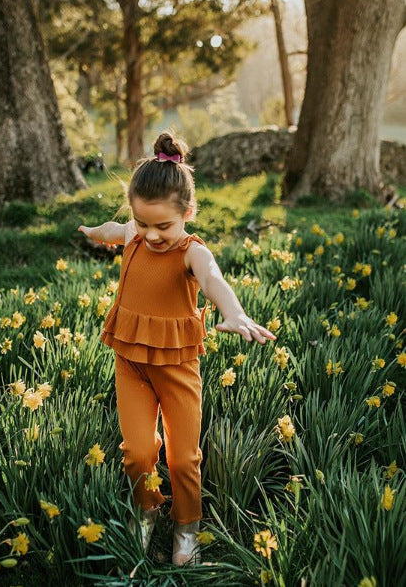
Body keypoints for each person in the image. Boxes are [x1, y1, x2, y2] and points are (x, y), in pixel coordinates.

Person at [78, 131, 276, 565]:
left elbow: (213, 280)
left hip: (176, 367)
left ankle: (187, 525)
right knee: (139, 452)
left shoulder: (190, 251)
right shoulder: (138, 231)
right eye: (143, 223)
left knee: (184, 455)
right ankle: (146, 509)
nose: (150, 236)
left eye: (162, 226)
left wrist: (235, 312)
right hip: (130, 362)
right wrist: (97, 231)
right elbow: (119, 230)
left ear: (188, 212)